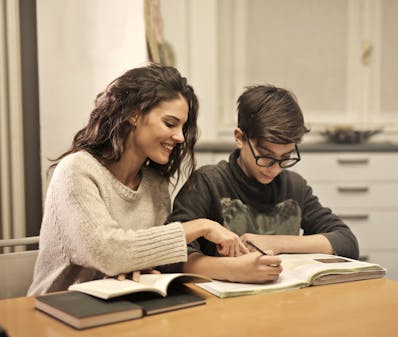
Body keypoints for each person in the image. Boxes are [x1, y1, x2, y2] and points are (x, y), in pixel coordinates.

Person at [28, 63, 247, 296]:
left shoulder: (155, 184)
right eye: (170, 124)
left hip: (124, 308)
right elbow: (109, 253)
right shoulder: (76, 171)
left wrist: (138, 266)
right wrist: (202, 226)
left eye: (183, 127)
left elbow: (142, 260)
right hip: (57, 312)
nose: (180, 137)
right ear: (133, 114)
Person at [167, 85, 359, 283]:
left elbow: (346, 241)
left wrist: (274, 243)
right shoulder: (208, 183)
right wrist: (231, 269)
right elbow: (170, 254)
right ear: (239, 138)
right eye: (266, 157)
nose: (275, 169)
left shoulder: (294, 186)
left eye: (285, 157)